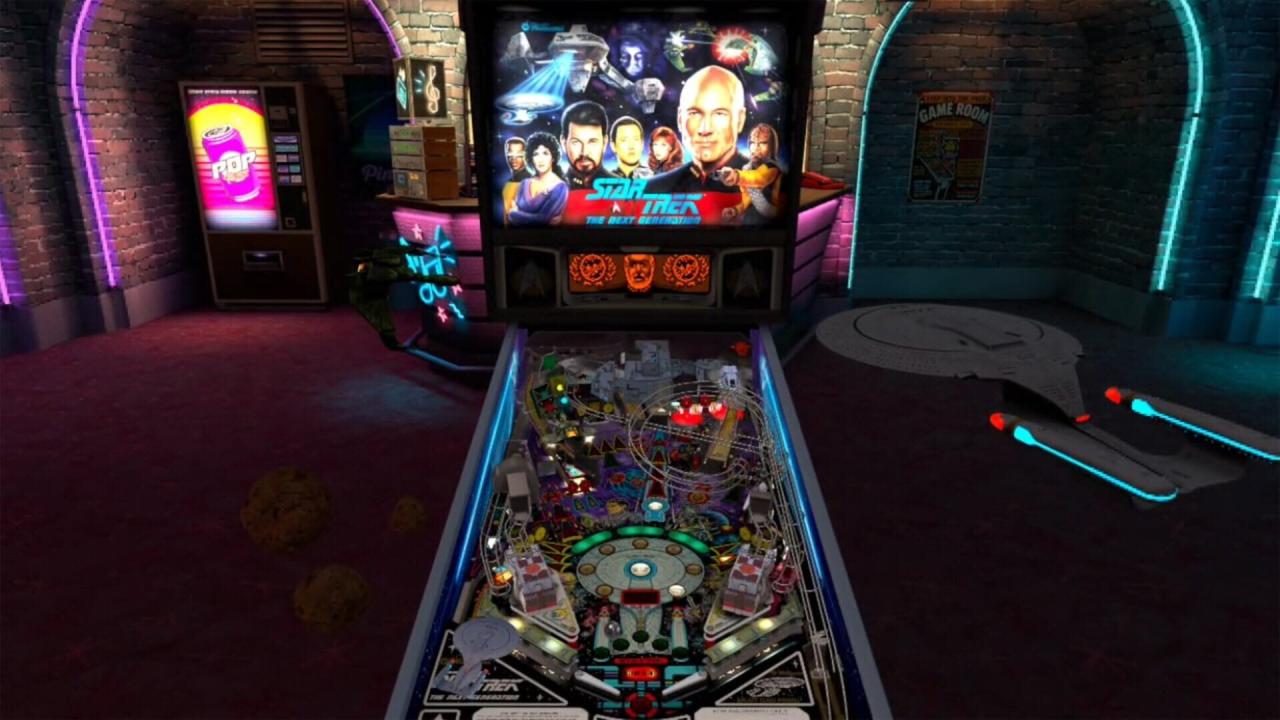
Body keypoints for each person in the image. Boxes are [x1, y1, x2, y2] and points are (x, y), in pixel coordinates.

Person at [644, 65, 748, 195]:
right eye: (695, 113)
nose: (705, 129)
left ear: (740, 120)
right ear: (680, 120)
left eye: (719, 114)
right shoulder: (655, 190)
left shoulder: (764, 185)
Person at [719, 123, 784, 223]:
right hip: (749, 222)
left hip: (768, 224)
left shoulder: (772, 167)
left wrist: (736, 176)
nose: (756, 148)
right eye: (752, 143)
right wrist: (736, 210)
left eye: (763, 143)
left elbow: (759, 178)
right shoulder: (748, 168)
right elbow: (749, 198)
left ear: (772, 146)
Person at [505, 132, 568, 226]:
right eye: (536, 154)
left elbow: (544, 219)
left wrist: (515, 214)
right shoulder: (525, 183)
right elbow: (512, 219)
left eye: (545, 153)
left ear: (553, 157)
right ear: (531, 158)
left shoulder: (560, 187)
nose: (540, 159)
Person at [560, 101, 618, 190]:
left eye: (592, 142)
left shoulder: (623, 190)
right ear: (564, 143)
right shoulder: (551, 192)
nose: (584, 152)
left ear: (604, 143)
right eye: (576, 142)